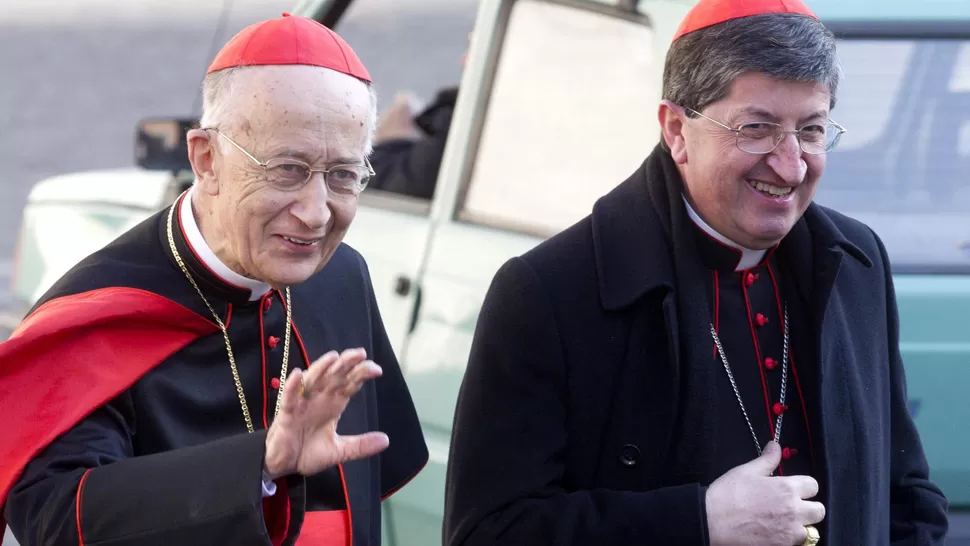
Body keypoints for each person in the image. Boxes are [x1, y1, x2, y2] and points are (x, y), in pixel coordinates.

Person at [442, 0, 950, 544]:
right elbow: (486, 533)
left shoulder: (857, 262)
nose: (791, 164)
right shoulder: (548, 292)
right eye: (757, 129)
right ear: (677, 130)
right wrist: (699, 521)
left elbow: (905, 495)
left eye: (811, 130)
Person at [0, 14, 427, 546]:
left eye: (343, 175)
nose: (317, 214)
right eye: (287, 170)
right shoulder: (101, 311)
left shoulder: (341, 275)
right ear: (206, 159)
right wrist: (260, 468)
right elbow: (58, 518)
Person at [365, 33, 471, 200]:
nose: (464, 61)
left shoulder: (467, 124)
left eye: (476, 47)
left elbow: (391, 190)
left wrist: (391, 140)